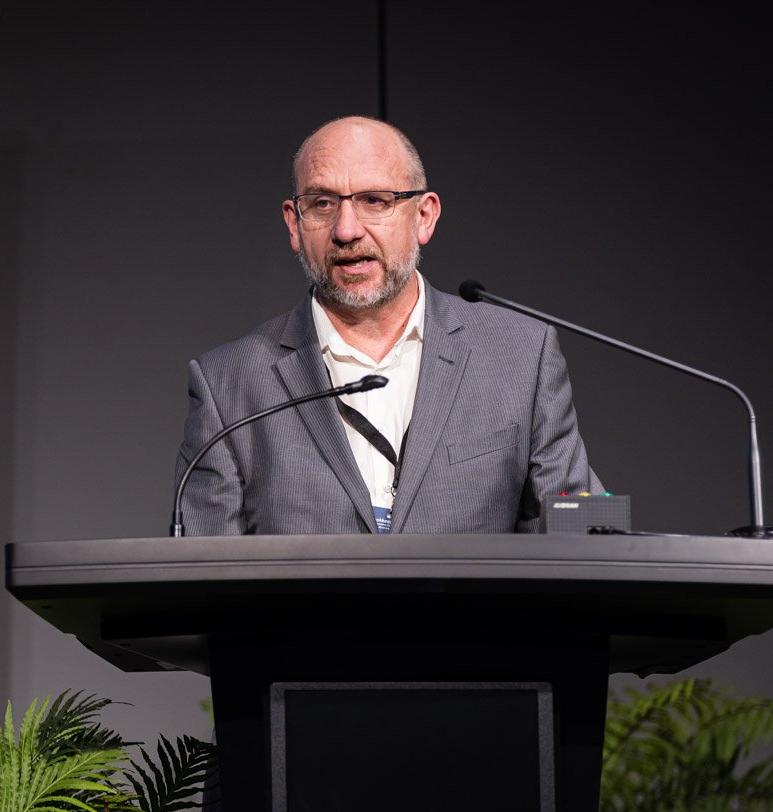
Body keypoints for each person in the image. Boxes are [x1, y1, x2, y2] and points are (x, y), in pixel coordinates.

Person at [175, 116, 599, 535]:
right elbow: (203, 586)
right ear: (294, 224)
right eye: (322, 204)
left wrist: (617, 538)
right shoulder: (227, 385)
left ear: (424, 216)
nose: (346, 229)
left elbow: (587, 539)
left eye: (374, 200)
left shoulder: (521, 357)